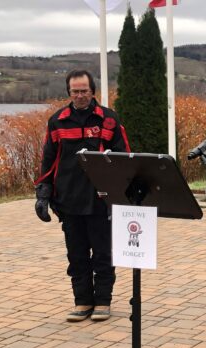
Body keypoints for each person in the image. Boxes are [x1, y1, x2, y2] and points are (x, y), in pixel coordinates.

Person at [34, 70, 130, 322]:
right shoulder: (58, 121)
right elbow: (48, 160)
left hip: (100, 201)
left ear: (93, 91)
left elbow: (124, 158)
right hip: (68, 200)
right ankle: (82, 301)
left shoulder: (108, 120)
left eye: (84, 91)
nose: (79, 96)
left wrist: (119, 193)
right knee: (76, 255)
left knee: (102, 254)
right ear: (69, 92)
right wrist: (43, 194)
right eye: (75, 91)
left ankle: (102, 302)